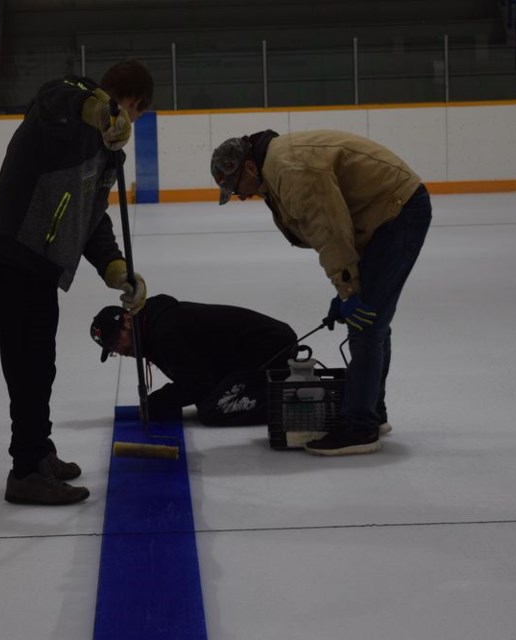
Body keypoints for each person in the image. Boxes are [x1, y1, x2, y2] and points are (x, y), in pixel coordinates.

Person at [0, 60, 154, 505]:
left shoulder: (108, 151)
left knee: (41, 362)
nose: (126, 125)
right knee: (28, 364)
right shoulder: (66, 106)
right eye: (131, 114)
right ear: (132, 104)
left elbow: (90, 217)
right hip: (17, 248)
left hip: (42, 261)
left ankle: (40, 451)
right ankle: (25, 470)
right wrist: (101, 109)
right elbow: (57, 93)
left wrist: (115, 267)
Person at [210, 129, 431, 456]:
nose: (241, 196)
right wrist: (347, 288)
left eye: (236, 188)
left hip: (396, 211)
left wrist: (348, 290)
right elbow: (338, 226)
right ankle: (372, 410)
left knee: (367, 321)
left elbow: (330, 230)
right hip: (383, 216)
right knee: (372, 318)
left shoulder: (290, 170)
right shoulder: (277, 168)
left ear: (249, 169)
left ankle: (360, 427)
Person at [90, 294, 298, 426]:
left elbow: (197, 385)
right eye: (112, 349)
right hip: (244, 354)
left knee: (214, 409)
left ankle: (289, 400)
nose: (121, 349)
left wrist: (156, 403)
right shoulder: (150, 327)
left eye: (117, 340)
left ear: (127, 320)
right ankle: (280, 384)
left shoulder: (164, 333)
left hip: (269, 347)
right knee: (207, 400)